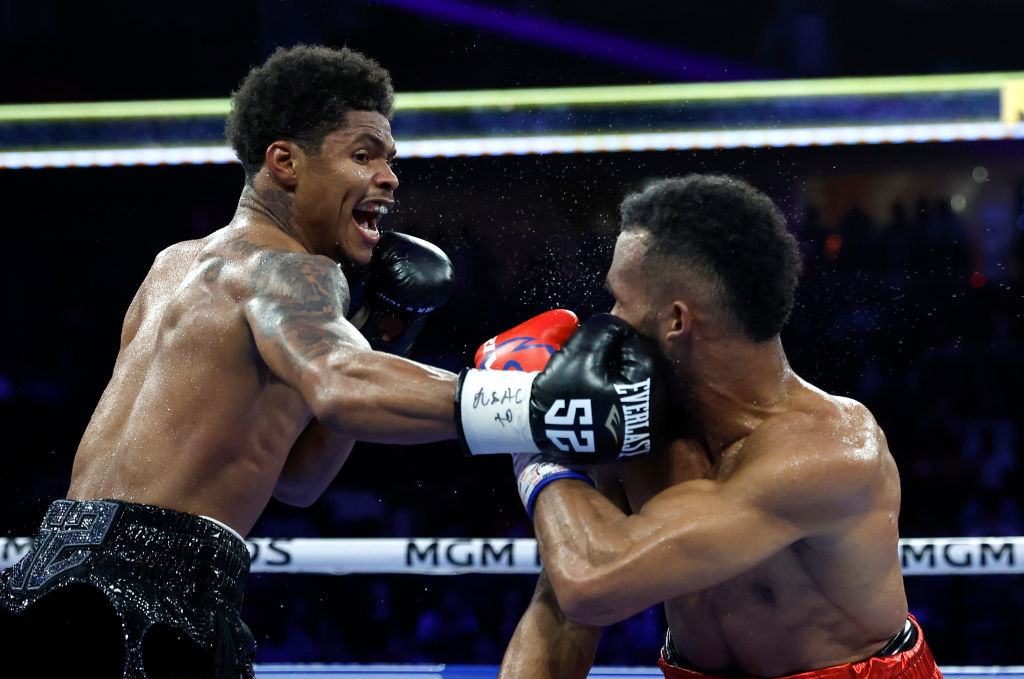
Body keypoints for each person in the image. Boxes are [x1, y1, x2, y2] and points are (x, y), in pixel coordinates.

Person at [0, 45, 668, 679]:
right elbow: (341, 385)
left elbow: (298, 477)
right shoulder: (290, 271)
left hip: (47, 576)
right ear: (285, 162)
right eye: (364, 154)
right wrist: (535, 407)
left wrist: (377, 334)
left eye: (391, 158)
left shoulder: (174, 265)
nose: (390, 177)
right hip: (154, 599)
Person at [496, 175, 942, 679]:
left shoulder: (829, 452)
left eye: (621, 299)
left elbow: (590, 582)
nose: (609, 318)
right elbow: (562, 605)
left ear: (677, 321)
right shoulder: (639, 437)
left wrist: (531, 435)